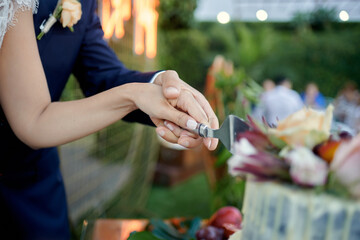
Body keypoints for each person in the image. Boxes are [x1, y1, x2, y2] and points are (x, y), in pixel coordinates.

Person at [0, 1, 219, 239]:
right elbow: (34, 119)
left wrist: (160, 87)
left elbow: (104, 75)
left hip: (36, 186)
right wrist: (133, 95)